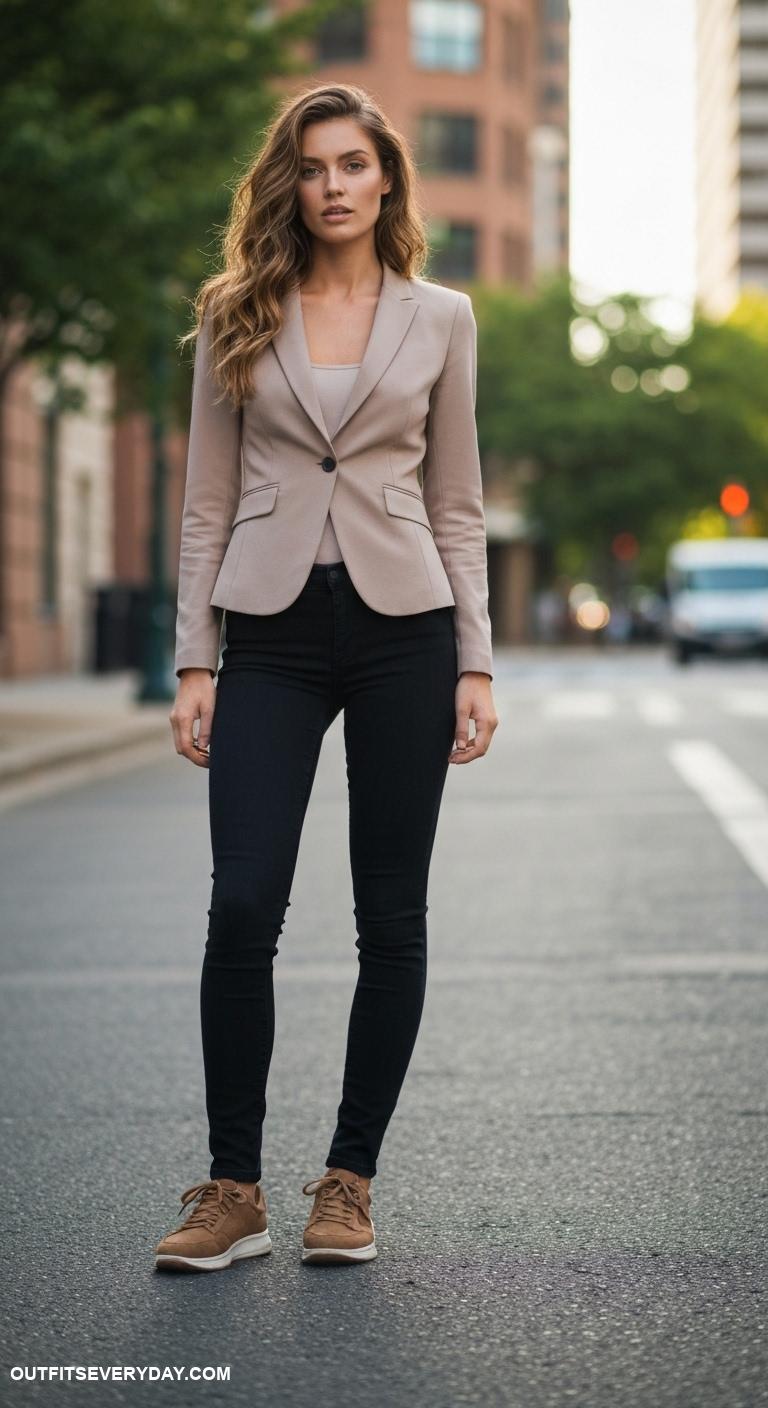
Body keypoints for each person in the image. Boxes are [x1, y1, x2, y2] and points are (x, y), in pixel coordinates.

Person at [154, 82, 497, 1273]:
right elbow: (205, 501)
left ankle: (349, 1181)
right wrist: (194, 656)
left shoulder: (443, 318)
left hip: (407, 628)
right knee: (243, 902)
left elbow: (458, 499)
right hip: (272, 629)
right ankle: (234, 1190)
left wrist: (475, 659)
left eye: (353, 163)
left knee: (389, 913)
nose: (333, 185)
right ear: (288, 185)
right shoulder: (236, 310)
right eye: (311, 167)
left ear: (386, 176)